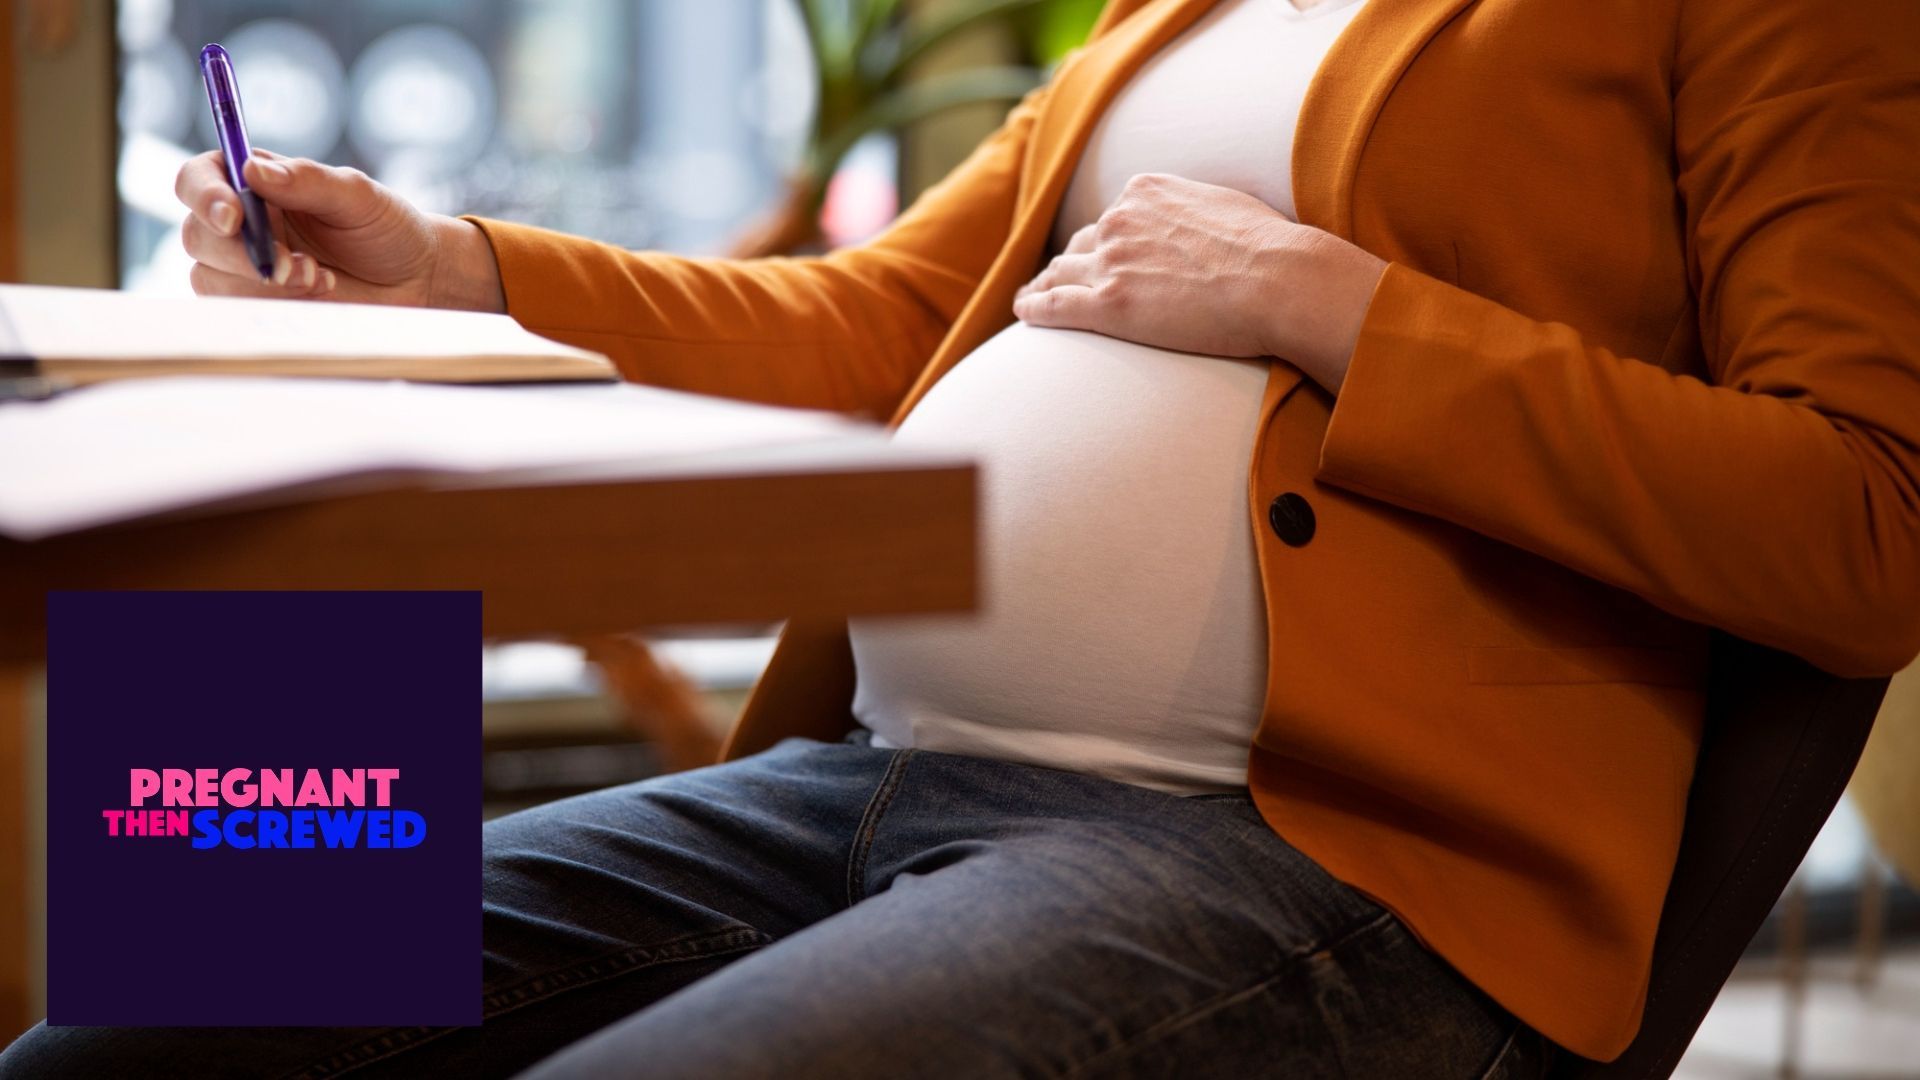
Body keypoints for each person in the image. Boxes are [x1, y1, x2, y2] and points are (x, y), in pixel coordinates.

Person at [8, 0, 1920, 1075]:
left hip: (1321, 861)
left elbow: (1867, 521)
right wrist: (458, 273)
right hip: (870, 785)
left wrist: (1334, 306)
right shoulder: (1180, 15)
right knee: (125, 1035)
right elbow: (871, 323)